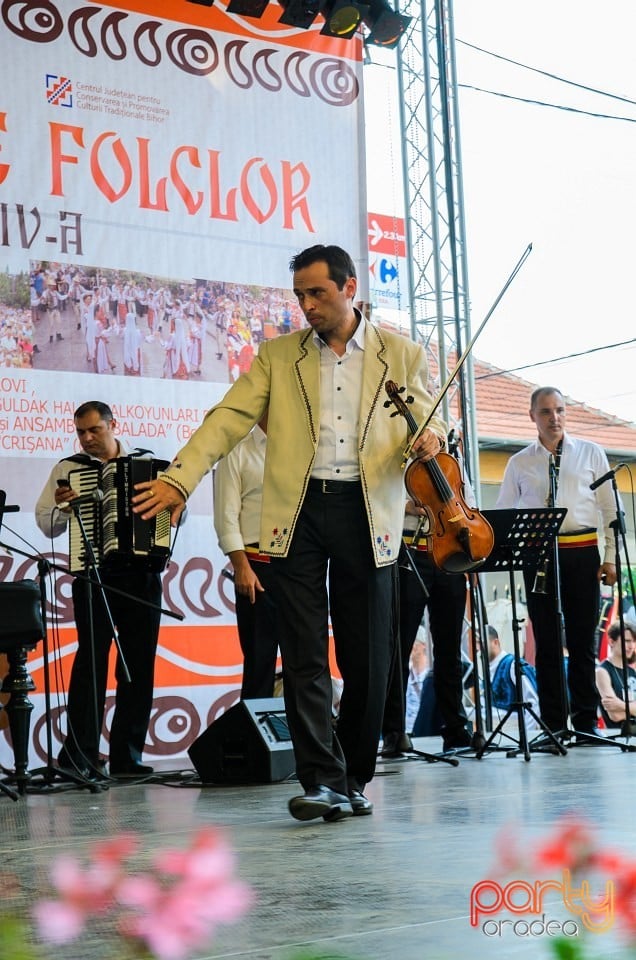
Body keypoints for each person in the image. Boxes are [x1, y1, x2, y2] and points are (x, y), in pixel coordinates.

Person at [133, 243, 446, 822]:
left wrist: (432, 438)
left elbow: (429, 419)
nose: (307, 305)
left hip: (368, 512)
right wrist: (180, 479)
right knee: (302, 654)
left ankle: (353, 775)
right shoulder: (278, 356)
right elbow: (227, 418)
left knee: (369, 658)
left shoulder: (398, 355)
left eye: (317, 293)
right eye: (300, 295)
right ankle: (321, 780)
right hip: (295, 513)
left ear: (349, 288)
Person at [35, 401, 163, 780]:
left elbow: (175, 513)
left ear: (112, 425)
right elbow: (47, 524)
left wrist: (165, 509)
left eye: (94, 430)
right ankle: (81, 756)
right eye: (81, 432)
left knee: (138, 666)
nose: (87, 439)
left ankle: (128, 758)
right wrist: (63, 508)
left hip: (141, 575)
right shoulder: (68, 470)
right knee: (90, 664)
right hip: (93, 575)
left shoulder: (145, 461)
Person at [496, 386, 619, 737]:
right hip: (538, 555)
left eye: (560, 410)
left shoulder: (591, 453)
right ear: (532, 416)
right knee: (547, 640)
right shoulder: (519, 461)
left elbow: (610, 508)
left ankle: (584, 722)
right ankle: (553, 723)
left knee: (583, 640)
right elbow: (505, 513)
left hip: (582, 551)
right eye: (547, 412)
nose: (555, 418)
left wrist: (610, 557)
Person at [381, 497, 472, 755]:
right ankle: (394, 731)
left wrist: (472, 549)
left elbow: (468, 503)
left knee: (450, 648)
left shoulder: (453, 458)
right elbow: (381, 501)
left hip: (448, 555)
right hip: (410, 550)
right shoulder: (398, 458)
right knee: (401, 644)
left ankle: (455, 727)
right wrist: (406, 506)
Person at [213, 415, 279, 700]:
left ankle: (308, 741)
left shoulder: (303, 448)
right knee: (259, 662)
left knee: (306, 662)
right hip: (257, 565)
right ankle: (256, 744)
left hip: (301, 567)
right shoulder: (237, 449)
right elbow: (225, 517)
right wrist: (241, 566)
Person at [487, 624, 540, 729]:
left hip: (517, 730)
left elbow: (533, 703)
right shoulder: (487, 671)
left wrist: (528, 735)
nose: (477, 648)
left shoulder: (512, 664)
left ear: (495, 642)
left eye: (480, 643)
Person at [596, 620, 636, 731]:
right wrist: (632, 709)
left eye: (634, 641)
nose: (631, 646)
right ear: (612, 642)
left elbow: (618, 710)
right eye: (627, 641)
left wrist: (619, 704)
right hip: (617, 736)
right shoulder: (602, 671)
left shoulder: (632, 672)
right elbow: (615, 716)